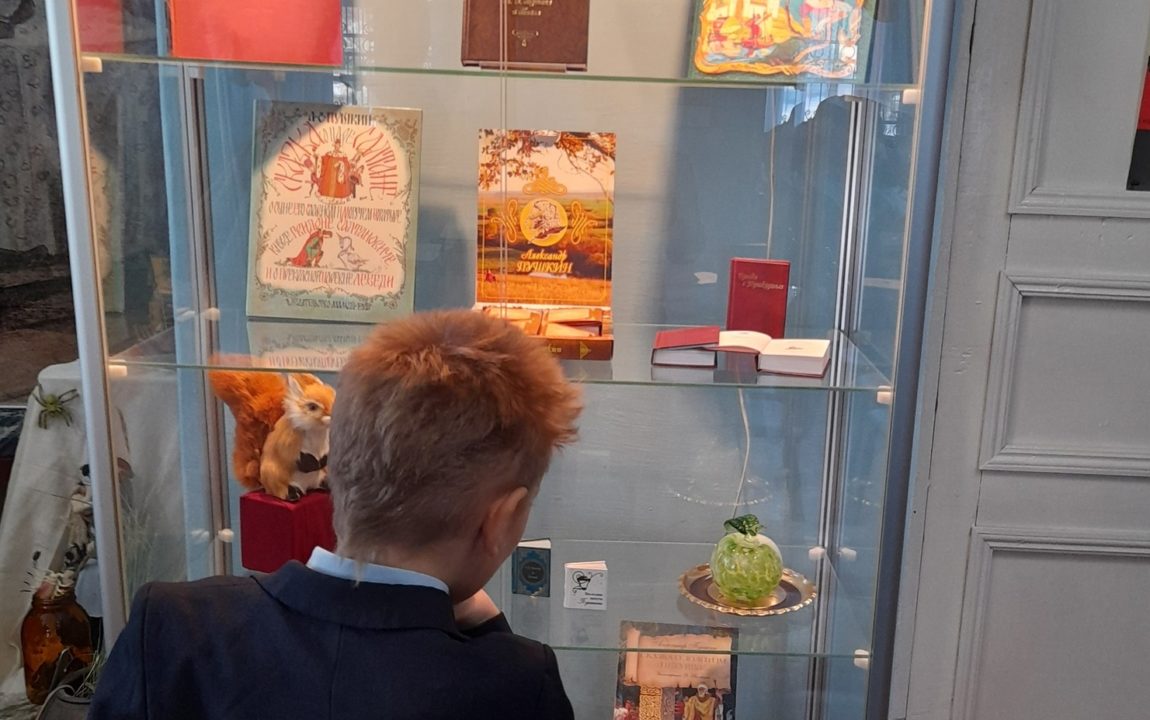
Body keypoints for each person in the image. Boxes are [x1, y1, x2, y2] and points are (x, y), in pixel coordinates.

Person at [88, 309, 583, 719]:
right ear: (501, 520)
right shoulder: (517, 685)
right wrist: (492, 631)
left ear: (337, 466)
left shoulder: (173, 626)